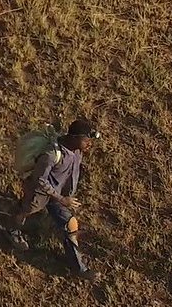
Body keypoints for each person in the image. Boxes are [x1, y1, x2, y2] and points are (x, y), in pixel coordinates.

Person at [6, 118, 102, 277]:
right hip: (40, 193)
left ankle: (78, 268)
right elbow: (39, 180)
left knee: (71, 226)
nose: (89, 144)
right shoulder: (51, 154)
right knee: (26, 210)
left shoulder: (77, 150)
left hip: (60, 196)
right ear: (73, 137)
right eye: (86, 140)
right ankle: (12, 229)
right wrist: (61, 199)